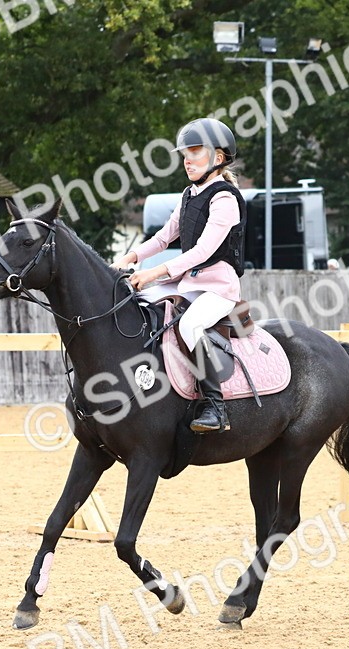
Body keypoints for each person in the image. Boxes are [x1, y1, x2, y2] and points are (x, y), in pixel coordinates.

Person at [111, 118, 246, 433]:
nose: (187, 160)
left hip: (219, 289)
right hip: (188, 284)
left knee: (189, 324)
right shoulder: (189, 194)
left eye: (195, 152)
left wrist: (155, 271)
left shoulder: (224, 199)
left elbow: (201, 251)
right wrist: (130, 258)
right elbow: (163, 238)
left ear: (218, 157)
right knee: (138, 307)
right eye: (185, 153)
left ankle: (216, 407)